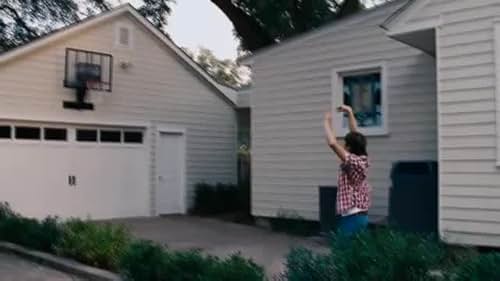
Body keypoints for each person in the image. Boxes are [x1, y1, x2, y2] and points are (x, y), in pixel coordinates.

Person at [323, 105, 371, 237]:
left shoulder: (352, 161)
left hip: (352, 217)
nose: (343, 145)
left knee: (342, 251)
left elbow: (332, 143)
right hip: (361, 216)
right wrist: (349, 112)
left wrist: (326, 122)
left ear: (349, 147)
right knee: (357, 254)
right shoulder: (363, 159)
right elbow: (355, 133)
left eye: (345, 143)